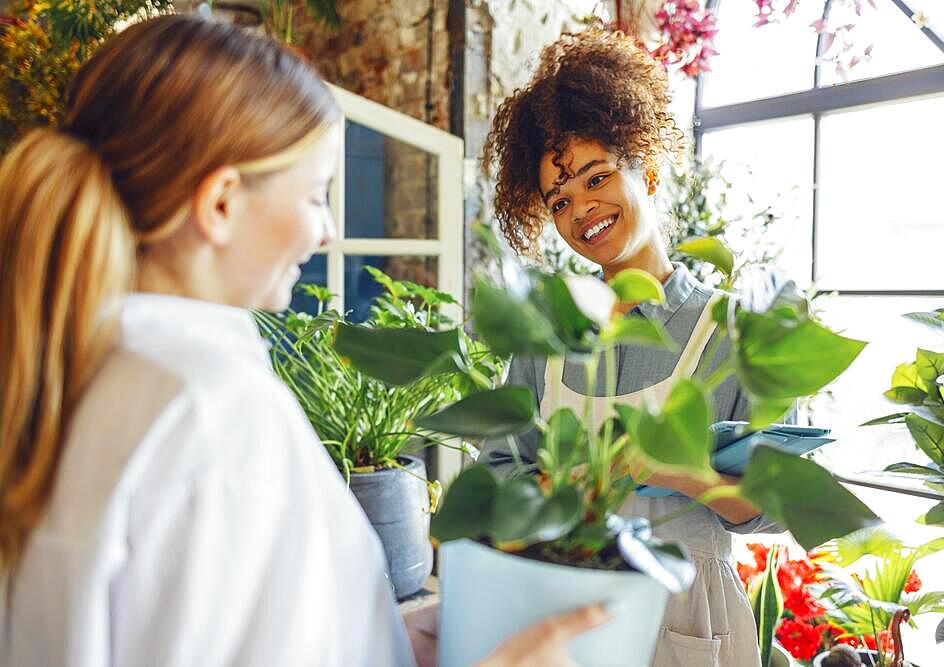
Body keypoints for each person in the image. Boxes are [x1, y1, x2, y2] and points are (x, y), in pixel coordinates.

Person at [0, 14, 607, 667]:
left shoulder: (77, 369)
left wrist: (380, 642)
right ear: (222, 203)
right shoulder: (213, 411)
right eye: (318, 194)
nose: (326, 232)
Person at [480, 28, 786, 667]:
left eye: (597, 177)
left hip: (691, 618)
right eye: (559, 200)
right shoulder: (549, 330)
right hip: (564, 605)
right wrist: (566, 486)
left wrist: (666, 472)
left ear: (645, 169)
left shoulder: (732, 329)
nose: (581, 209)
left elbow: (777, 505)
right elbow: (500, 472)